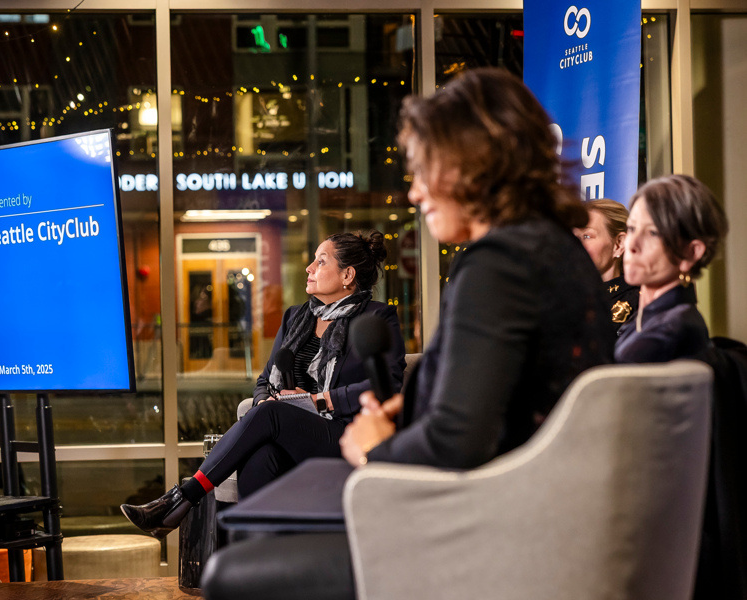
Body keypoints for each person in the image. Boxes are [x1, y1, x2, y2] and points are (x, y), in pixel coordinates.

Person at [201, 68, 615, 600]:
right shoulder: (558, 255)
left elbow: (458, 441)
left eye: (424, 171)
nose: (416, 192)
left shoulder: (496, 266)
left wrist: (376, 450)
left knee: (230, 573)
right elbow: (505, 399)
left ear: (473, 166)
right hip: (534, 510)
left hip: (483, 527)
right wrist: (416, 408)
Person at [121, 230, 406, 538]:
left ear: (347, 275)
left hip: (345, 433)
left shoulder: (377, 318)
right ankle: (256, 553)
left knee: (270, 416)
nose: (309, 268)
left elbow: (387, 385)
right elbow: (264, 380)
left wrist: (318, 400)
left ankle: (182, 500)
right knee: (260, 453)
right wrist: (262, 401)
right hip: (289, 428)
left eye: (321, 262)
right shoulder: (296, 317)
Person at [614, 174, 728, 364]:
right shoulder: (648, 319)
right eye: (632, 228)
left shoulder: (667, 334)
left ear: (691, 252)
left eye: (652, 233)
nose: (632, 244)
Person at [574, 199, 639, 334]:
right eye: (573, 237)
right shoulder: (561, 297)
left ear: (619, 244)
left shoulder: (639, 303)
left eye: (587, 236)